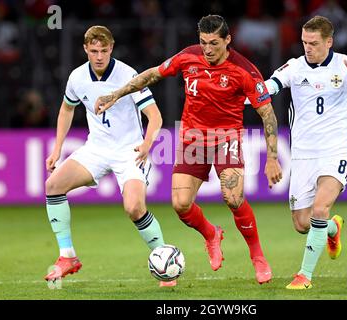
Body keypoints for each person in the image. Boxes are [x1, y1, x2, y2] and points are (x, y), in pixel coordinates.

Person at [95, 15, 282, 284]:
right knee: (181, 205)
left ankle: (257, 256)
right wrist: (115, 95)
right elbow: (153, 74)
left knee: (233, 198)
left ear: (228, 40)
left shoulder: (245, 71)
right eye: (203, 42)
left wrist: (272, 158)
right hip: (192, 138)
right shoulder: (188, 57)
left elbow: (268, 115)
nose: (207, 49)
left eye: (214, 43)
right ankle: (211, 235)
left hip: (225, 138)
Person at [44, 25, 175, 287]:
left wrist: (148, 143)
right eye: (94, 51)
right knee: (53, 185)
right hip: (96, 149)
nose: (99, 56)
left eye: (104, 50)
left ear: (111, 48)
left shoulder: (129, 75)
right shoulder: (77, 77)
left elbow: (155, 116)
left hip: (130, 152)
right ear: (85, 50)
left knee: (134, 208)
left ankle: (164, 260)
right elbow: (66, 110)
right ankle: (67, 256)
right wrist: (57, 147)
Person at [264, 15, 347, 289]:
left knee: (320, 209)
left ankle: (304, 276)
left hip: (335, 149)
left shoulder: (344, 65)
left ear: (329, 42)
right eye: (304, 42)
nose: (307, 47)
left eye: (314, 43)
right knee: (302, 223)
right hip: (303, 153)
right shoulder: (294, 67)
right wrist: (252, 95)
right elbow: (271, 85)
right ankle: (333, 228)